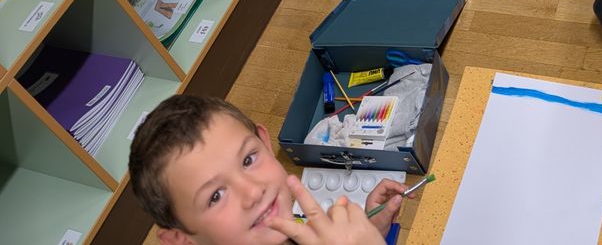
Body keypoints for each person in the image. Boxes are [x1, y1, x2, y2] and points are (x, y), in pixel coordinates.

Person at [129, 95, 405, 245]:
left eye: (248, 160)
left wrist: (372, 229)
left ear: (264, 141)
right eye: (215, 196)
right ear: (180, 240)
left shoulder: (279, 225)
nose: (253, 192)